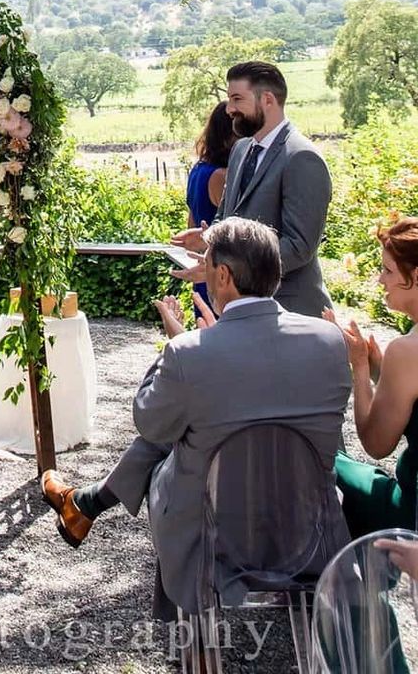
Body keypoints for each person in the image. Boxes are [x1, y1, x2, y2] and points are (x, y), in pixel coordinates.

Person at [40, 217, 350, 616]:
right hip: (309, 531)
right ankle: (86, 504)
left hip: (213, 538)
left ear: (222, 275)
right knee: (198, 422)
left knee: (175, 437)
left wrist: (178, 345)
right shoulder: (329, 341)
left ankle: (95, 511)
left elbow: (149, 423)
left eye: (206, 263)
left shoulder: (190, 353)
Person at [172, 61, 332, 317]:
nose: (230, 109)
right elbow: (225, 217)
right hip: (239, 312)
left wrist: (230, 271)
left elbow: (299, 246)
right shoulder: (240, 150)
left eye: (237, 99)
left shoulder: (302, 157)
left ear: (267, 99)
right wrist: (208, 238)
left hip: (289, 311)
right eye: (229, 99)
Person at [328, 217, 418, 537]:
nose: (381, 280)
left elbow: (375, 443)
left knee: (326, 463)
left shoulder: (407, 349)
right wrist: (381, 368)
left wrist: (360, 366)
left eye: (388, 270)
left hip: (412, 513)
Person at [184, 103, 237, 314]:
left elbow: (191, 224)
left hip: (205, 268)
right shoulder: (221, 177)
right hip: (222, 276)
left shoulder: (198, 169)